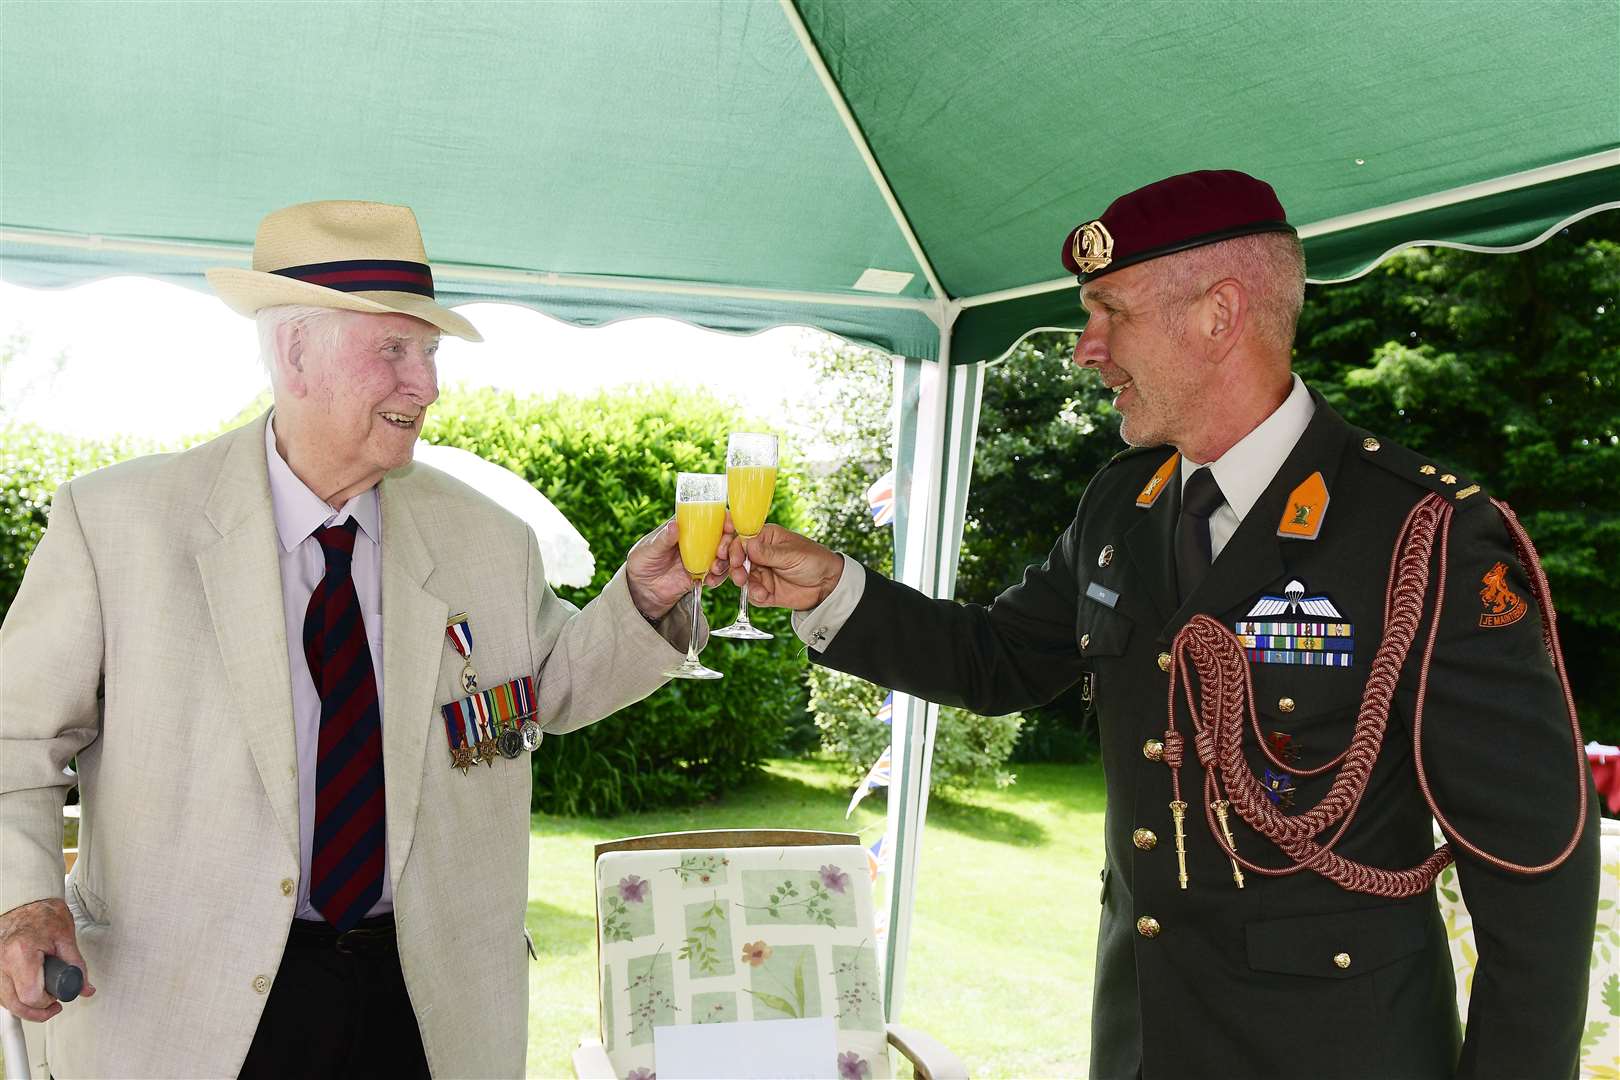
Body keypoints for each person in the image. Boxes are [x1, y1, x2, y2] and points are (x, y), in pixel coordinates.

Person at [733, 171, 1600, 1079]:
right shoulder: (1124, 502)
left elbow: (1534, 865)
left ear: (1219, 315)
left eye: (1111, 313)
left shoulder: (1423, 533)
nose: (1085, 350)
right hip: (1143, 1044)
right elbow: (998, 660)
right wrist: (833, 587)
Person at [0, 200, 731, 1077]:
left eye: (428, 354)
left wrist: (643, 601)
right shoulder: (116, 523)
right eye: (394, 350)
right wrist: (23, 900)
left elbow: (550, 687)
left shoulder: (488, 542)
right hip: (188, 1009)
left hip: (423, 1004)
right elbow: (16, 738)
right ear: (294, 353)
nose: (426, 386)